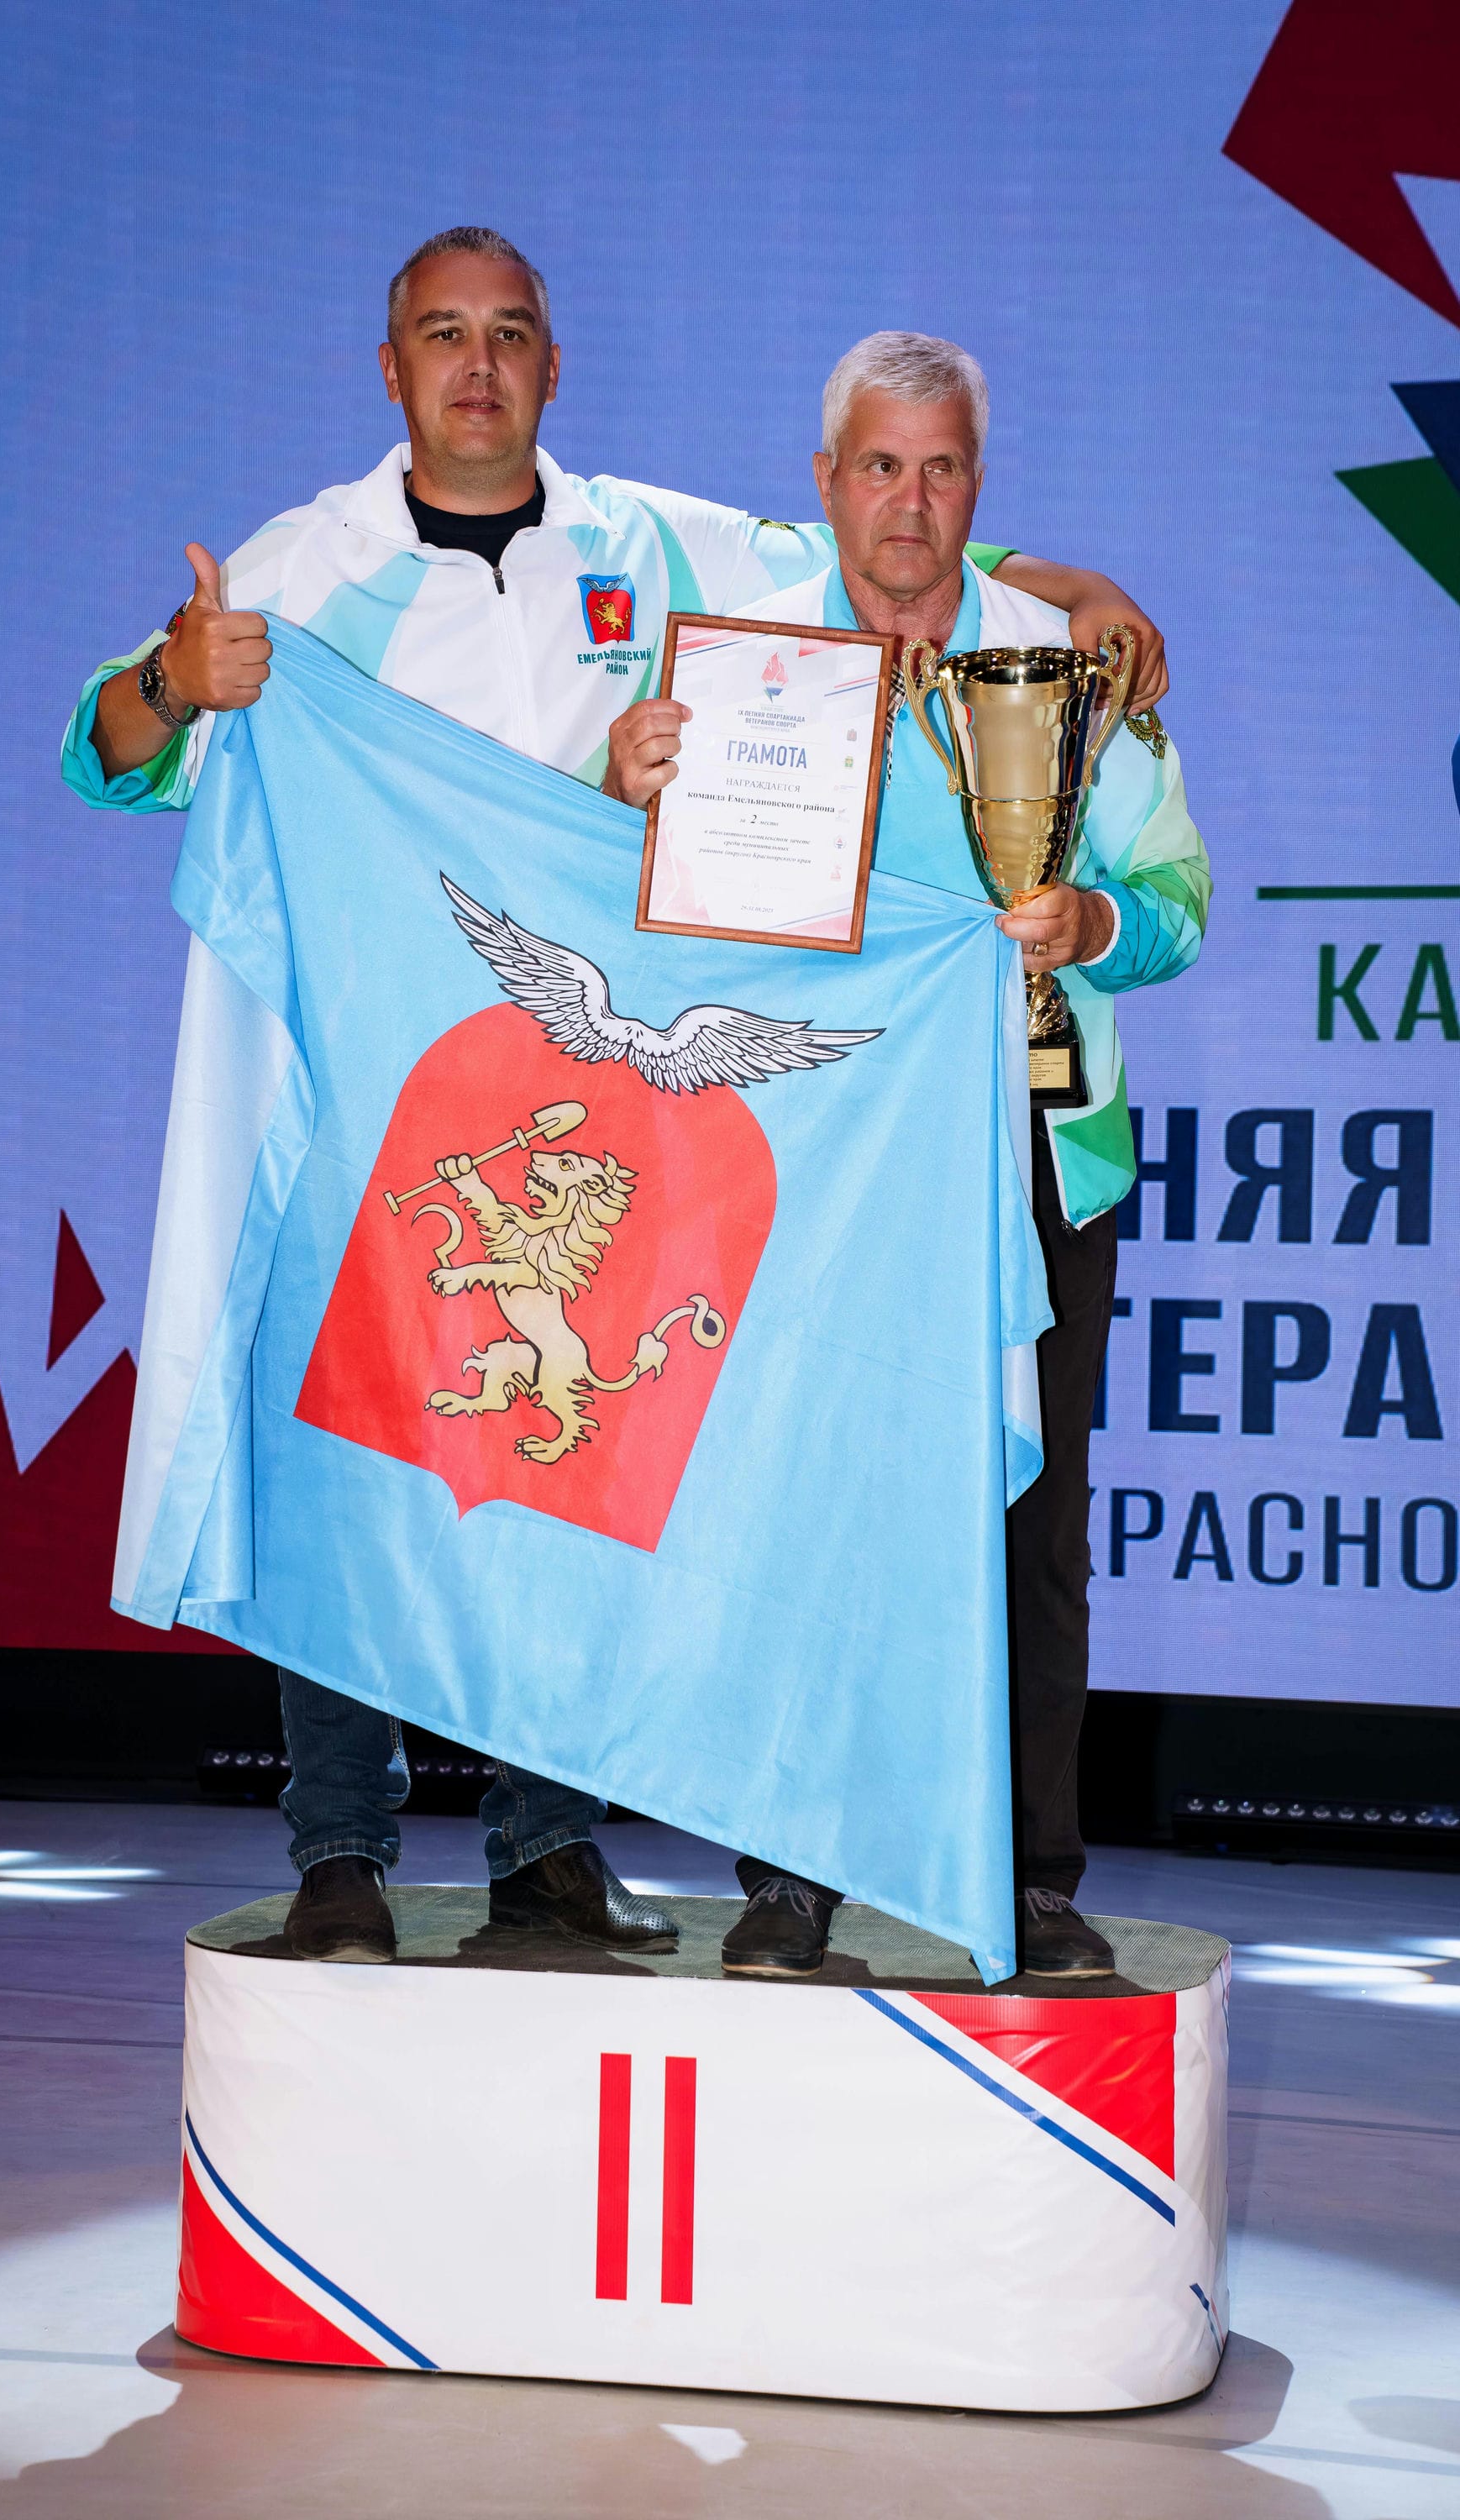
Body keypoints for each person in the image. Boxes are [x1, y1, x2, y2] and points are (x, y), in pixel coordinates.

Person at [66, 231, 1174, 1970]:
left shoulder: (647, 544)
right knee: (350, 1450)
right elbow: (111, 753)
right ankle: (341, 1851)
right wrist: (165, 687)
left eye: (509, 334)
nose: (478, 367)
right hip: (382, 1079)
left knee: (562, 1457)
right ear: (392, 367)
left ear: (552, 365)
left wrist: (1067, 585)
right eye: (444, 336)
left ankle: (546, 1851)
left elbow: (872, 543)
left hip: (580, 1094)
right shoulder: (300, 562)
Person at [607, 332, 1211, 1981]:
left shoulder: (1073, 661)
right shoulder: (749, 663)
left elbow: (1179, 898)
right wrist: (626, 790)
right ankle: (791, 1877)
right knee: (804, 1520)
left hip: (1033, 1147)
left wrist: (1092, 922)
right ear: (826, 483)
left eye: (941, 468)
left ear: (976, 486)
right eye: (880, 465)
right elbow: (660, 912)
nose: (909, 501)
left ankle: (1029, 1884)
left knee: (1031, 1534)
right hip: (815, 1152)